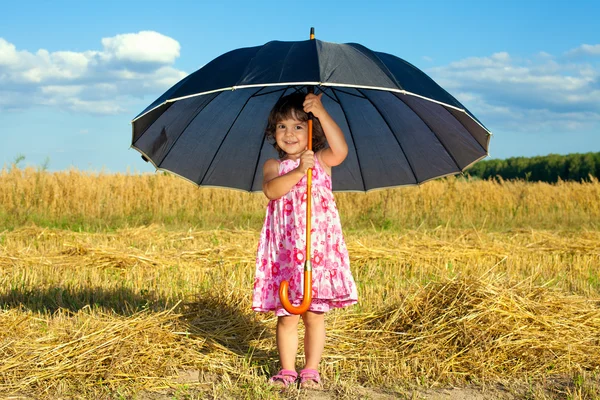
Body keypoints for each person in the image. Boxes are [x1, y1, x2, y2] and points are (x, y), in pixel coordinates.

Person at [252, 91, 358, 389]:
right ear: (273, 132)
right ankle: (286, 370)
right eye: (282, 126)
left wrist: (321, 112)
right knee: (287, 316)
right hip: (287, 254)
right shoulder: (274, 165)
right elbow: (272, 191)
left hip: (317, 253)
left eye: (299, 126)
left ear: (312, 130)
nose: (289, 133)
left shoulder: (322, 161)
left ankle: (311, 369)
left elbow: (341, 151)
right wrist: (300, 170)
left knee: (314, 314)